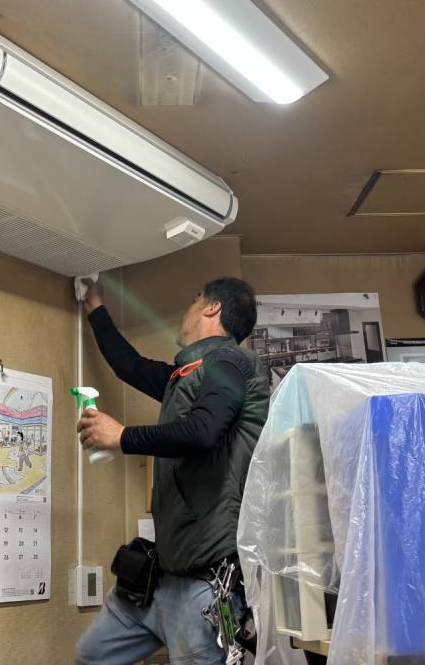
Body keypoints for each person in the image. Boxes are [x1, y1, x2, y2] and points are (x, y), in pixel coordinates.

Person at [74, 276, 267, 665]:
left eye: (195, 299)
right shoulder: (186, 376)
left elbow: (203, 431)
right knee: (91, 656)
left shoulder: (231, 363)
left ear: (212, 307)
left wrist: (122, 436)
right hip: (159, 581)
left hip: (204, 587)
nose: (187, 309)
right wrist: (94, 305)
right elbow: (129, 366)